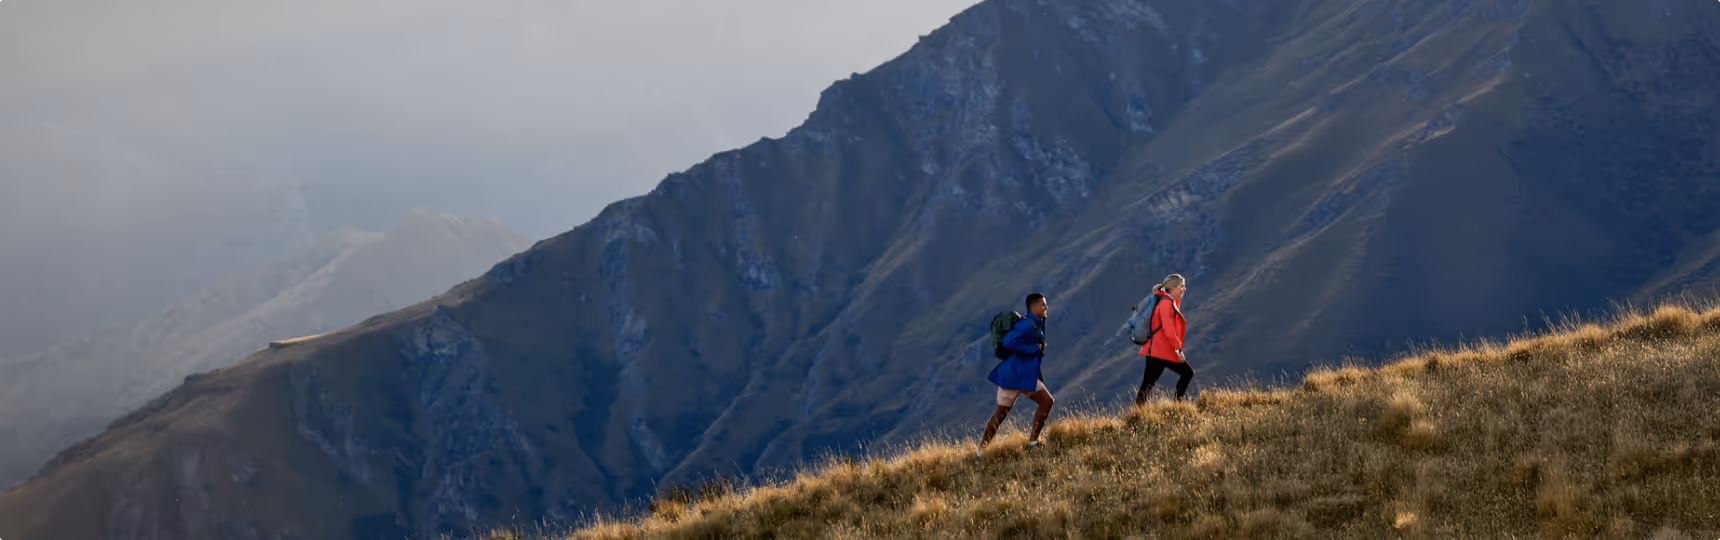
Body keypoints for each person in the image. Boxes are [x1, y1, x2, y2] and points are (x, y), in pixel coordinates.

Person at [979, 293, 1055, 458]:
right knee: (1047, 402)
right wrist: (1035, 348)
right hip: (1020, 375)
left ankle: (980, 454)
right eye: (1042, 305)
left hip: (1013, 376)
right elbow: (1009, 343)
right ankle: (1033, 442)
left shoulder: (1035, 324)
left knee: (1000, 414)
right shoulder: (1026, 326)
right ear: (1033, 307)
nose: (1046, 307)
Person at [1137, 274, 1193, 404]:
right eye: (1181, 286)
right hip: (1161, 351)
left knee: (1147, 384)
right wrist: (1178, 350)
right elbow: (1169, 331)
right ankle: (1177, 406)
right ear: (1172, 287)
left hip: (1157, 350)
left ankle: (1139, 414)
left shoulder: (1165, 302)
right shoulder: (1166, 304)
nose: (1184, 289)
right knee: (1187, 373)